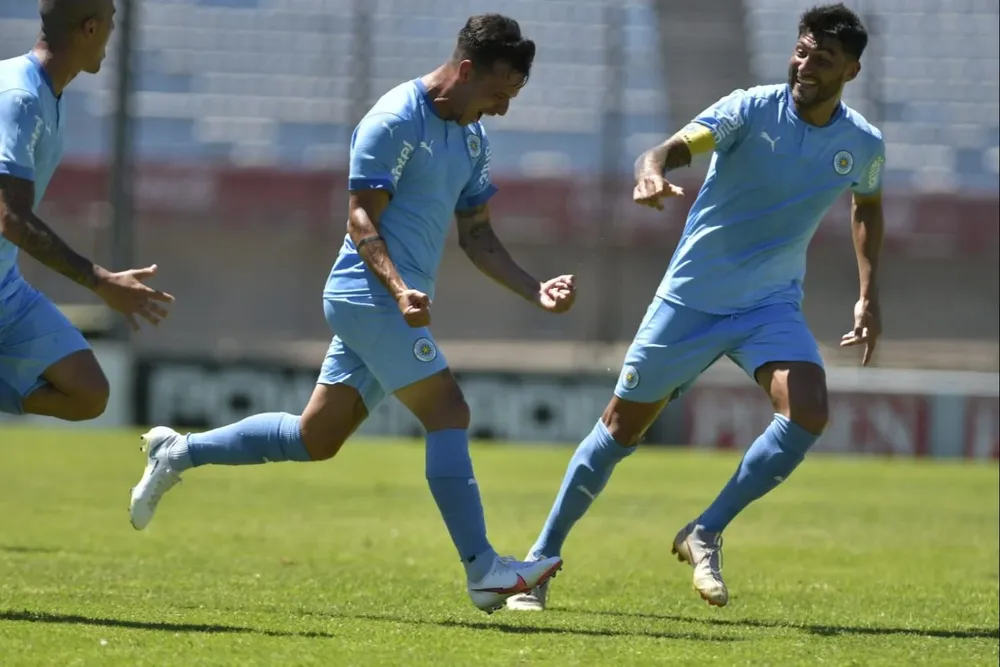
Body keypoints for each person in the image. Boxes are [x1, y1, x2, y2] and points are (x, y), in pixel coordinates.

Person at [128, 14, 574, 614]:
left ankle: (179, 452)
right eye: (498, 93)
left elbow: (479, 237)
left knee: (317, 437)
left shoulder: (472, 138)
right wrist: (396, 290)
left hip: (393, 306)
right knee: (449, 408)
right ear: (466, 70)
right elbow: (359, 218)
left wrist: (534, 288)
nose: (503, 108)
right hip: (366, 294)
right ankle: (483, 571)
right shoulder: (394, 119)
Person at [508, 3, 885, 611]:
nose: (805, 65)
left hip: (768, 305)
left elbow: (866, 205)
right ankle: (539, 563)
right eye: (802, 50)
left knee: (809, 410)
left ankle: (705, 530)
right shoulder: (749, 108)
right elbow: (666, 150)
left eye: (823, 58)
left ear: (852, 70)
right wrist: (651, 172)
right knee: (618, 432)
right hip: (691, 300)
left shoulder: (862, 144)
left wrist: (868, 295)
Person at [0, 0, 174, 421]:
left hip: (5, 285)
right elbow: (10, 217)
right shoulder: (19, 97)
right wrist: (102, 281)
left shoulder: (44, 93)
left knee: (87, 393)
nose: (113, 38)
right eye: (112, 24)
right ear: (90, 29)